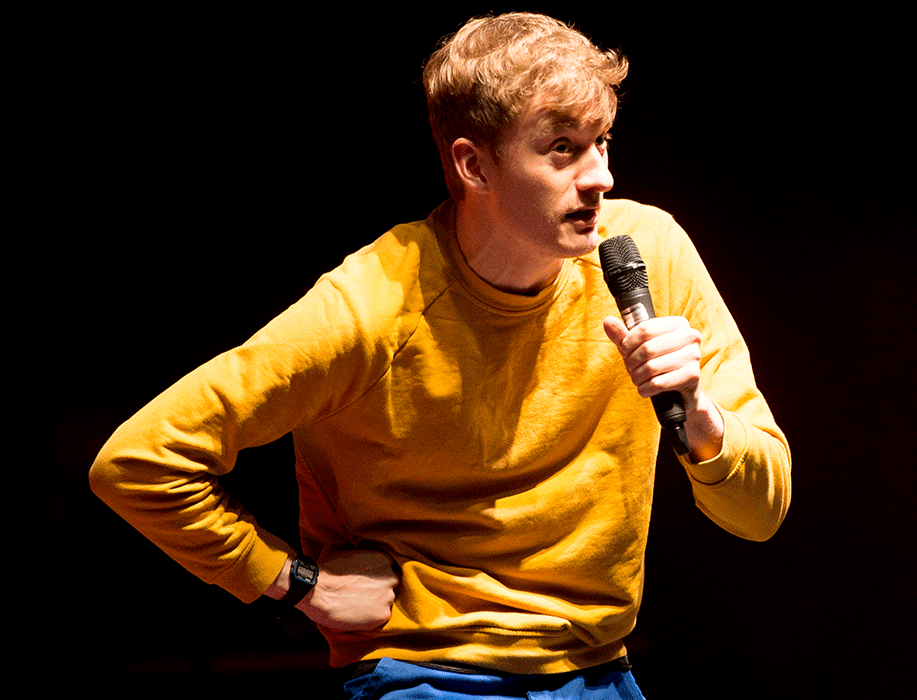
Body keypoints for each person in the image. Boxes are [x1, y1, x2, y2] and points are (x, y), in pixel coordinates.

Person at [90, 12, 790, 699]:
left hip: (598, 668)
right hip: (424, 672)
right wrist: (297, 584)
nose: (599, 176)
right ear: (473, 165)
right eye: (561, 149)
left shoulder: (647, 254)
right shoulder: (374, 303)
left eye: (602, 142)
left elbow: (760, 515)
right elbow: (139, 462)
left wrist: (700, 419)